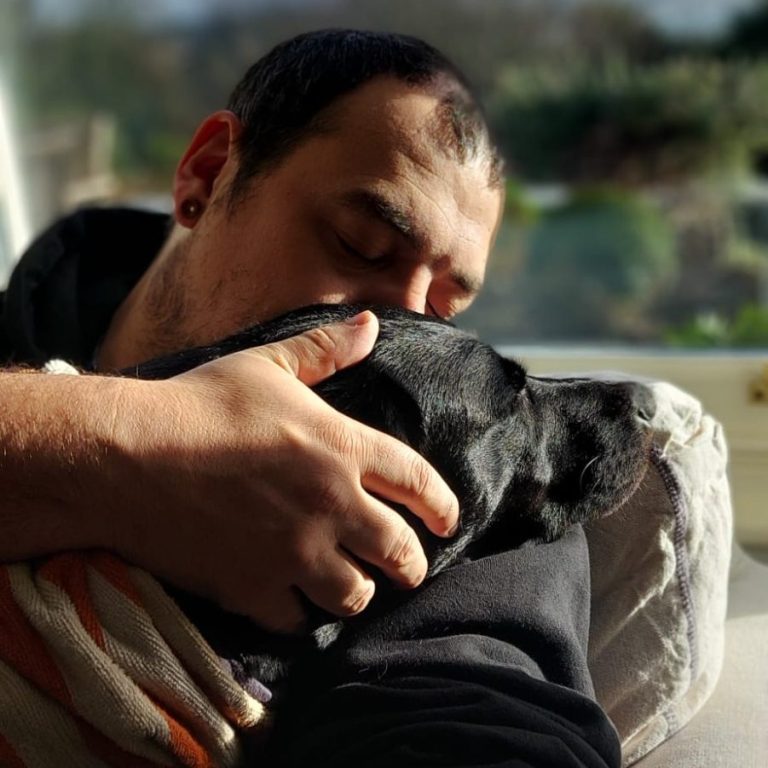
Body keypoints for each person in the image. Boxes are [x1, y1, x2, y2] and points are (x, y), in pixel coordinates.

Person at [0, 29, 620, 767]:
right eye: (360, 245)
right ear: (208, 176)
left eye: (444, 309)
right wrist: (133, 445)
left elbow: (474, 718)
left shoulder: (460, 482)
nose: (398, 329)